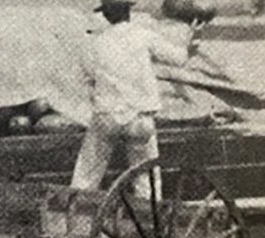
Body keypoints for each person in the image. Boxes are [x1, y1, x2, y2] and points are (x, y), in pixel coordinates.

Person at [70, 0, 198, 198]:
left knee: (87, 173)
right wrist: (191, 37)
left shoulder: (96, 42)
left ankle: (76, 215)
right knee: (146, 176)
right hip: (140, 118)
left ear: (106, 15)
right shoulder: (143, 36)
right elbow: (179, 58)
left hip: (107, 117)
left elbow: (87, 77)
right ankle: (147, 217)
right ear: (129, 11)